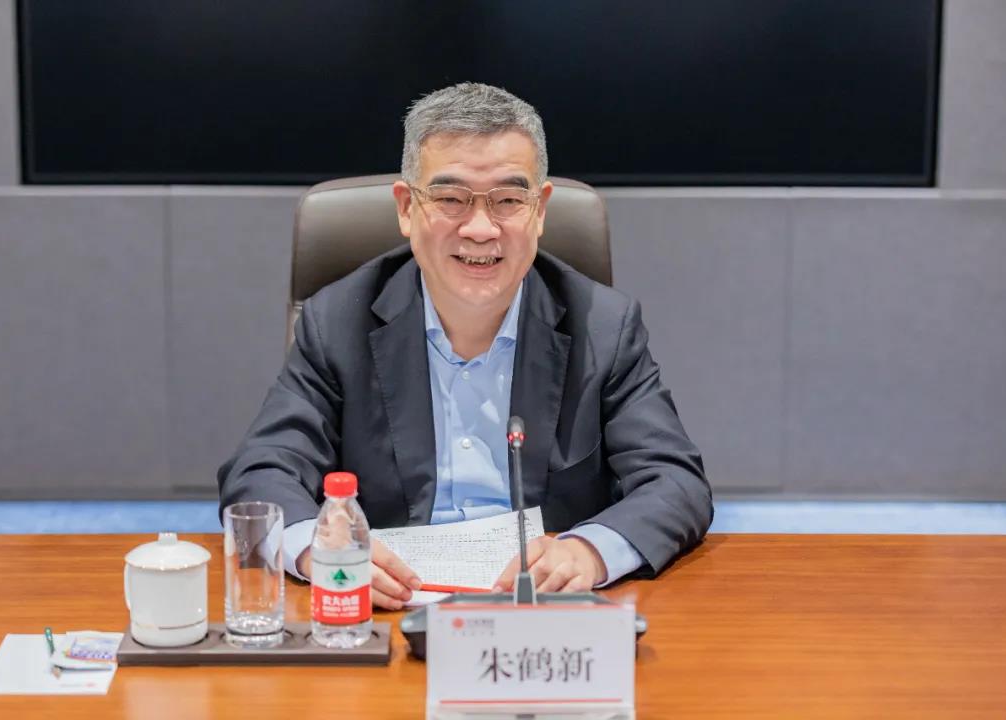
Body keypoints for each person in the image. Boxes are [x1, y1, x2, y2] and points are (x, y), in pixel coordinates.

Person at [218, 82, 712, 609]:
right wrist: (316, 548)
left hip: (543, 613)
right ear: (406, 208)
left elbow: (675, 481)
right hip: (385, 608)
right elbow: (261, 471)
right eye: (451, 199)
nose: (480, 229)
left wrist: (588, 552)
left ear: (540, 210)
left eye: (508, 200)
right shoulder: (338, 323)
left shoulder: (603, 327)